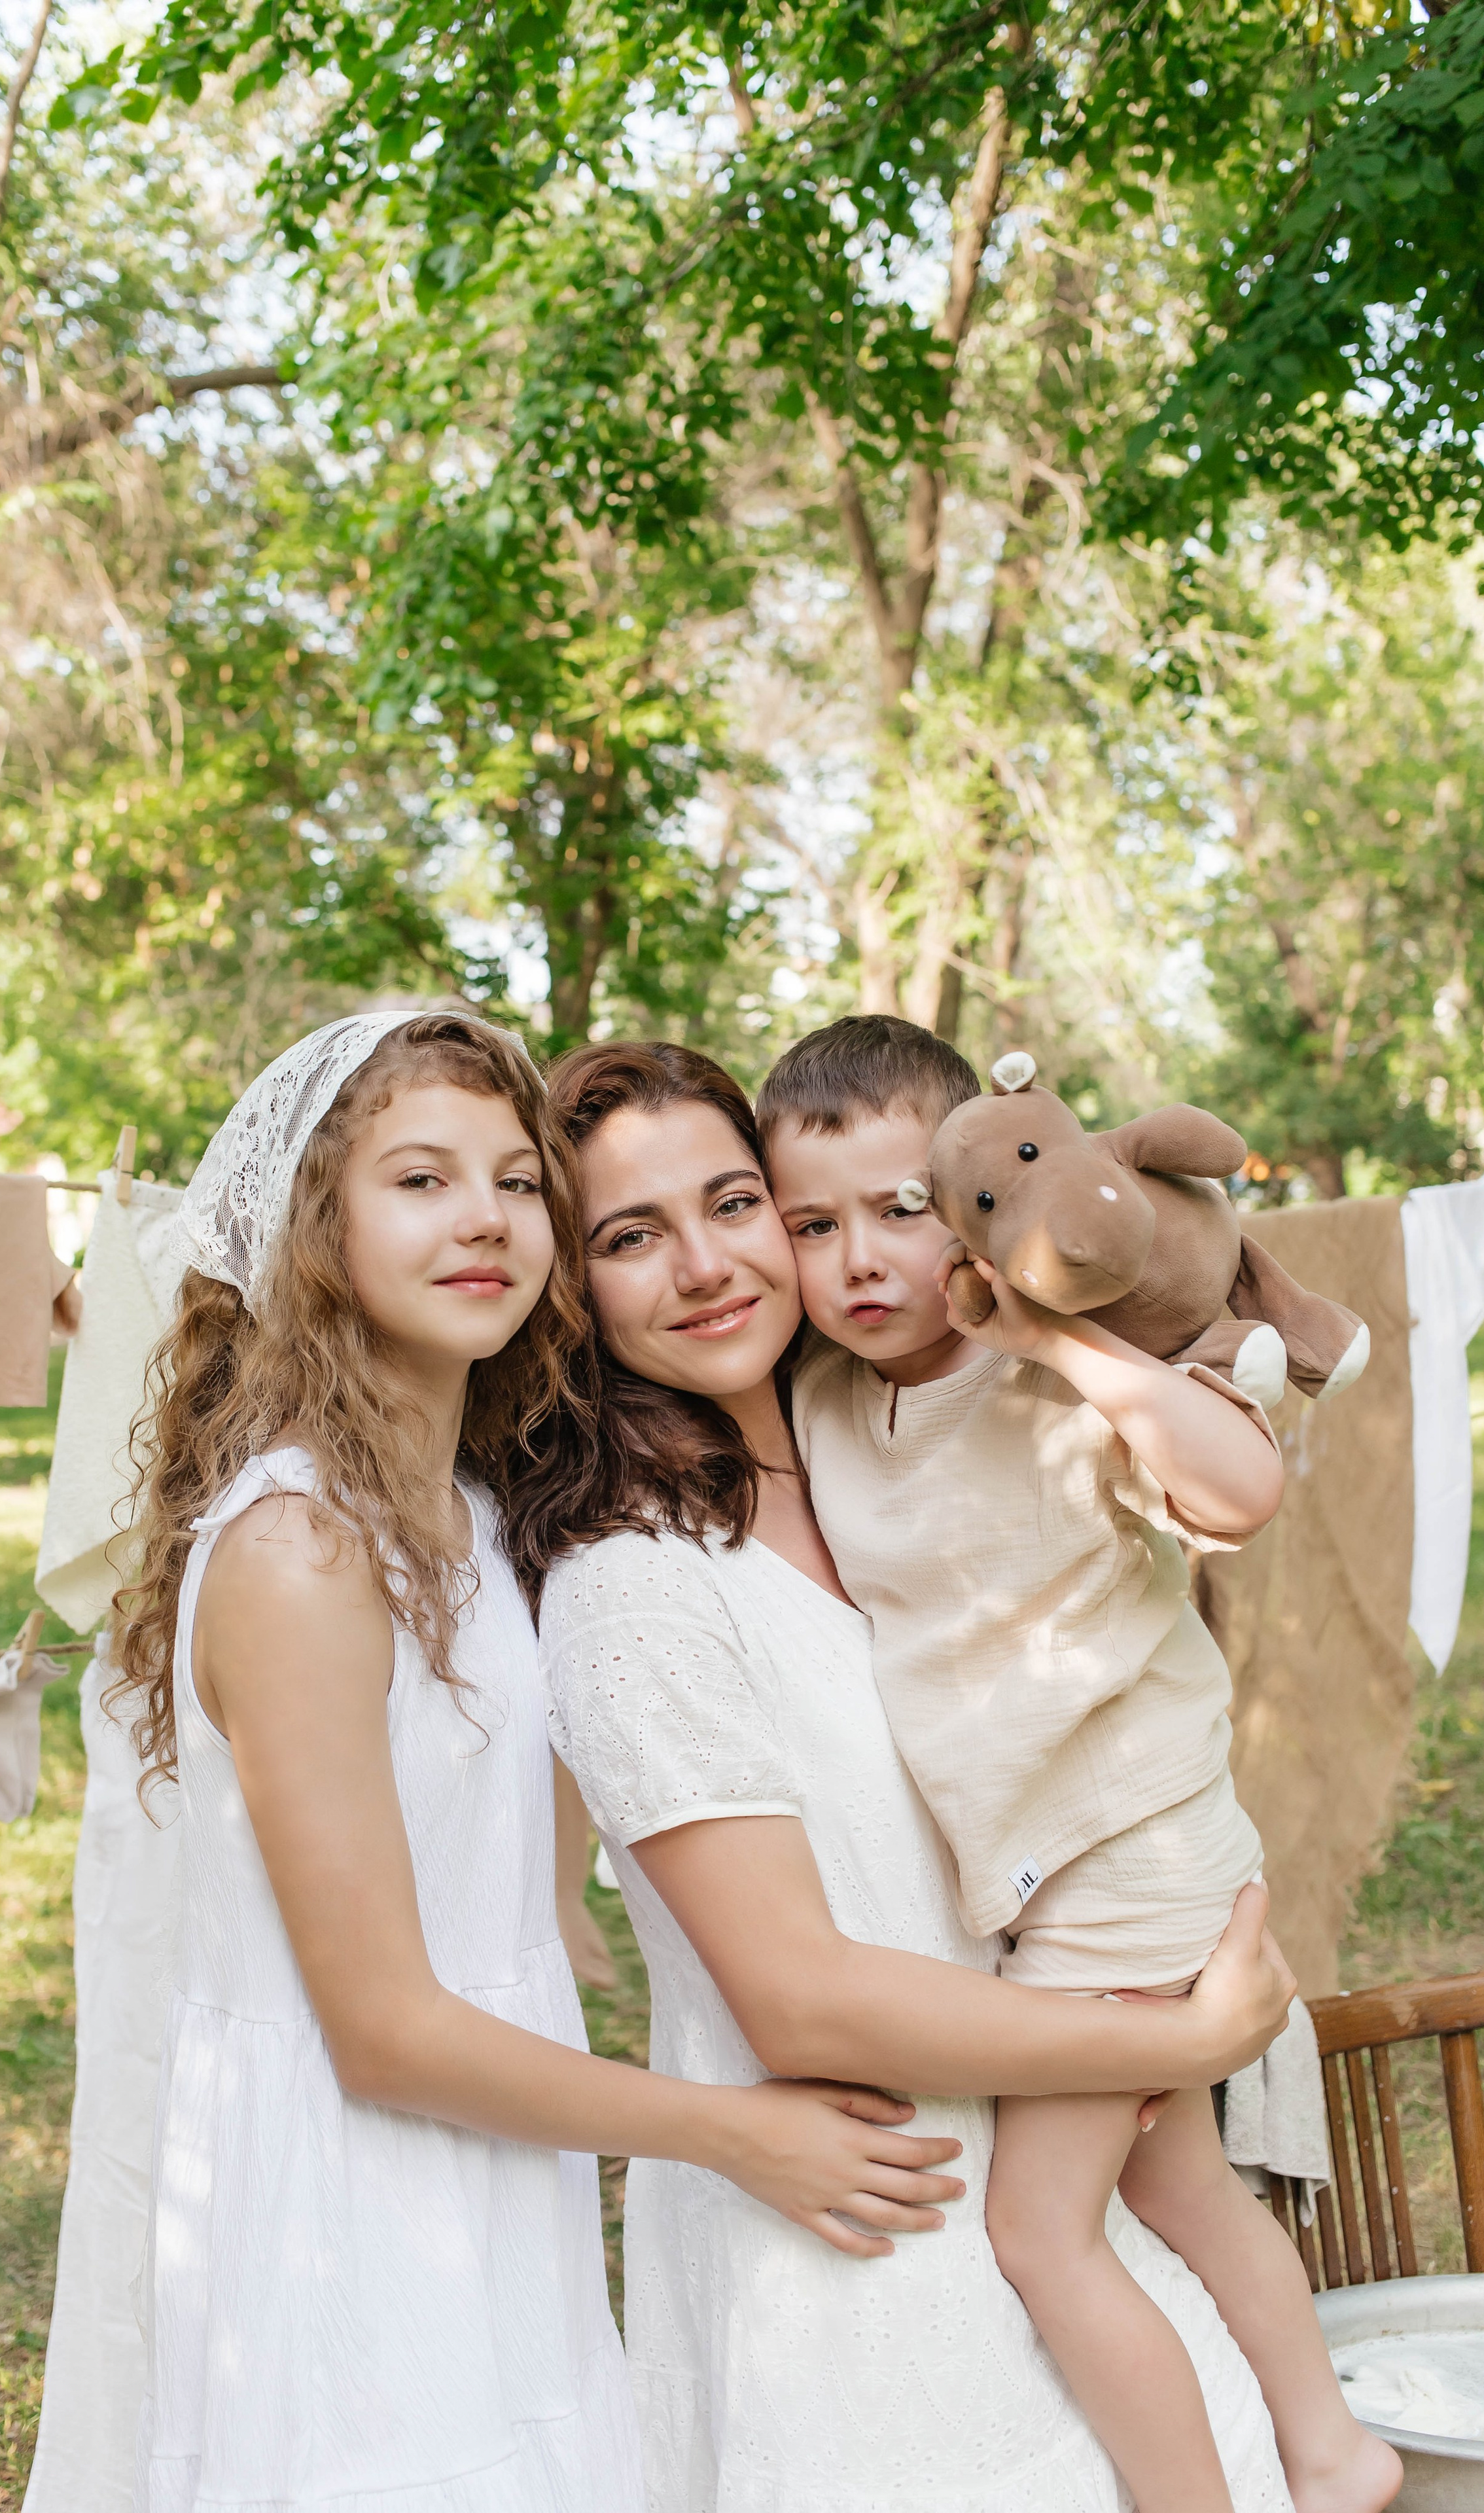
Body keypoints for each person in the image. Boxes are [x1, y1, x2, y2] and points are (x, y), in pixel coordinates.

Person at [111, 1008, 953, 2513]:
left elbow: (523, 1894)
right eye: (421, 1182)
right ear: (317, 1227)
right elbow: (377, 2029)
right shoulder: (300, 1548)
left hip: (502, 2158)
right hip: (352, 2201)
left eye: (514, 1182)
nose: (485, 1220)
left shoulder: (474, 1521)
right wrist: (729, 2131)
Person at [511, 1035, 1301, 2513]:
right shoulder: (633, 1583)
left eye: (735, 1204)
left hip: (1058, 2169)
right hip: (858, 2253)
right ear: (573, 1287)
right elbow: (796, 1997)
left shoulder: (882, 1435)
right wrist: (1177, 2037)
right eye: (628, 1236)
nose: (704, 1267)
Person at [761, 1014, 1401, 2513]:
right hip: (1043, 1871)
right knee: (1174, 2182)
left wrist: (1049, 1340)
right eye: (811, 1223)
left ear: (974, 1203)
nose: (858, 1257)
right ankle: (1329, 2446)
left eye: (900, 1210)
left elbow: (1240, 1489)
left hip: (1133, 1850)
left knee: (1038, 2238)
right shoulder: (827, 1404)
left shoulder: (1062, 1374)